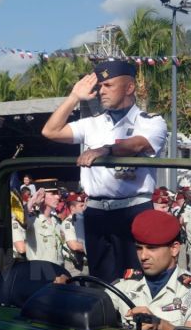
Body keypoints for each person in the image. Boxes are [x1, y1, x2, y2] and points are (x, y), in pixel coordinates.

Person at [41, 60, 168, 282]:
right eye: (99, 86)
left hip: (133, 210)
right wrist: (73, 97)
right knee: (101, 281)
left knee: (136, 281)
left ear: (129, 88)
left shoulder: (150, 121)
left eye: (108, 85)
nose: (101, 91)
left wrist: (105, 150)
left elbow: (138, 144)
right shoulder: (93, 123)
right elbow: (50, 131)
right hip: (97, 212)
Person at [24, 180, 64, 267]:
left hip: (59, 270)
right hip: (39, 273)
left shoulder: (56, 221)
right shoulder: (32, 219)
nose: (58, 197)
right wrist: (33, 200)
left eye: (57, 193)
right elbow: (20, 218)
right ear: (41, 196)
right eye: (53, 193)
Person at [61, 192, 88, 276]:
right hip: (74, 265)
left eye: (85, 205)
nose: (84, 208)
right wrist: (93, 247)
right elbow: (74, 245)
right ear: (72, 208)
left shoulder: (84, 220)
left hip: (85, 262)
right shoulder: (68, 223)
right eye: (81, 206)